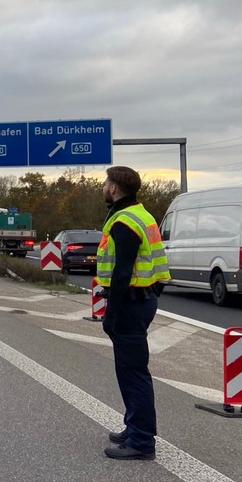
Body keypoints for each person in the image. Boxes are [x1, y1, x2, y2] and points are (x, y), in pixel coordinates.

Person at [95, 165, 171, 460]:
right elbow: (155, 264)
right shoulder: (142, 214)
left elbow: (122, 271)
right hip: (141, 299)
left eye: (106, 183)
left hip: (129, 303)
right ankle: (133, 427)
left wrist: (111, 314)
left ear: (114, 188)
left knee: (133, 373)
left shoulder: (124, 221)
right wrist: (150, 295)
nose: (103, 187)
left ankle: (141, 441)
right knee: (130, 370)